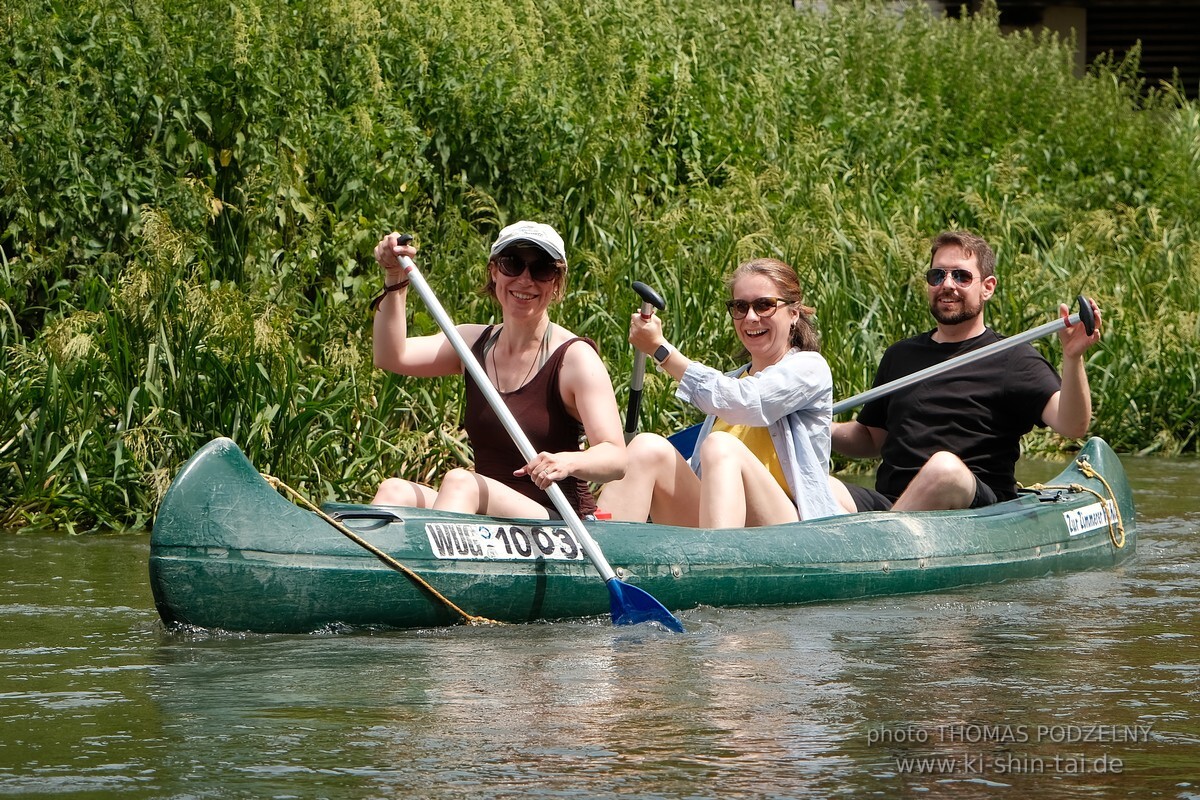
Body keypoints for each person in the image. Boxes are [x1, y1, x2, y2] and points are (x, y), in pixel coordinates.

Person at [831, 229, 1103, 513]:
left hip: (975, 509)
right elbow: (872, 440)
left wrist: (1073, 358)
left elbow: (1073, 425)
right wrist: (813, 427)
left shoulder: (1013, 357)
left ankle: (883, 542)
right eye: (937, 276)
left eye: (961, 276)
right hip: (893, 503)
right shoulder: (900, 355)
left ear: (987, 287)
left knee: (944, 468)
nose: (947, 284)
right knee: (819, 487)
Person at [370, 220, 626, 519]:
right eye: (512, 264)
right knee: (394, 491)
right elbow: (391, 355)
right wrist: (394, 277)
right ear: (494, 272)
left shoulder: (575, 358)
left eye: (541, 269)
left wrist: (567, 462)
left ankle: (433, 568)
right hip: (488, 512)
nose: (525, 279)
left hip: (559, 521)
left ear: (556, 283)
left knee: (461, 483)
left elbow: (616, 456)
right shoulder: (469, 343)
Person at [597, 257, 845, 528]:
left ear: (794, 313)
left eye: (765, 305)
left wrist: (662, 351)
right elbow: (731, 396)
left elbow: (747, 402)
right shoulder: (733, 380)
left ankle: (715, 565)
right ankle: (596, 552)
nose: (751, 317)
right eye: (740, 307)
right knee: (647, 447)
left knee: (720, 447)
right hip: (719, 522)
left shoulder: (809, 368)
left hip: (790, 529)